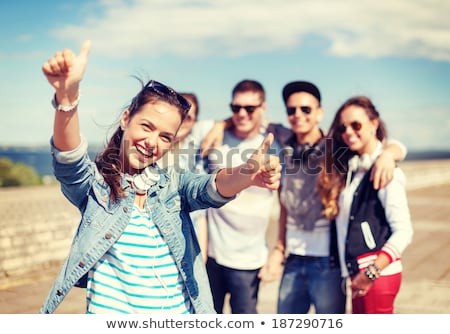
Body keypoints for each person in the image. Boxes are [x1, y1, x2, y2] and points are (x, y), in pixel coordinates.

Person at [39, 40, 281, 314]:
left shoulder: (173, 185)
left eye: (165, 136)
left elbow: (211, 188)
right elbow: (69, 159)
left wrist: (246, 174)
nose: (152, 142)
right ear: (126, 118)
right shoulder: (97, 187)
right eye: (146, 126)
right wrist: (67, 98)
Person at [202, 81, 407, 314]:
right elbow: (249, 116)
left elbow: (373, 143)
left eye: (306, 109)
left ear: (320, 112)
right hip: (293, 260)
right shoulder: (282, 139)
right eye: (291, 110)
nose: (298, 115)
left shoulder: (335, 146)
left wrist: (390, 153)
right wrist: (221, 124)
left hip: (328, 264)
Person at [317, 95, 413, 314]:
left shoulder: (387, 171)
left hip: (376, 275)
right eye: (343, 128)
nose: (348, 132)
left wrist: (371, 272)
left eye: (356, 125)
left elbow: (404, 231)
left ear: (374, 124)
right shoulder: (354, 168)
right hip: (358, 274)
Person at [205, 79, 282, 314]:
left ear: (263, 108)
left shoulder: (276, 143)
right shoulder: (214, 136)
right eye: (235, 108)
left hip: (249, 261)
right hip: (211, 256)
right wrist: (220, 124)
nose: (242, 114)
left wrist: (279, 251)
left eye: (250, 108)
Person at [161, 93, 211, 263]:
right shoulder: (150, 150)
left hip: (188, 245)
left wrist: (202, 254)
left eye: (188, 117)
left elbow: (201, 214)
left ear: (195, 122)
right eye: (178, 114)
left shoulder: (197, 156)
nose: (182, 121)